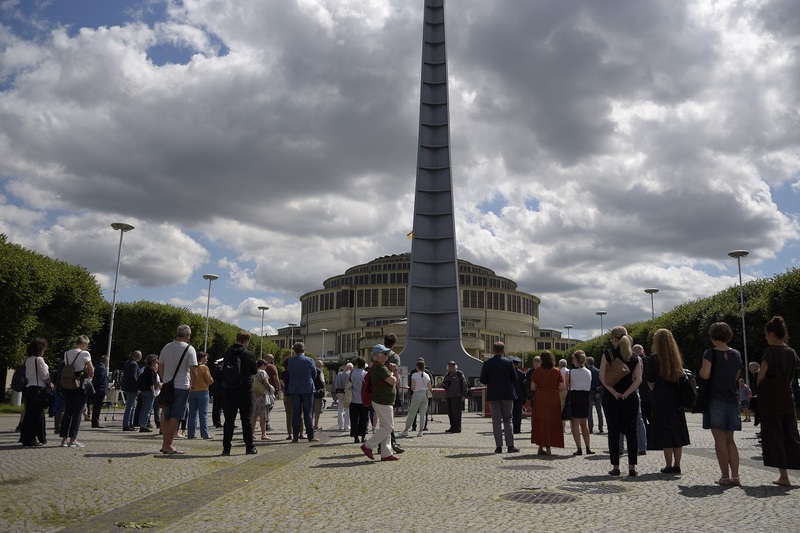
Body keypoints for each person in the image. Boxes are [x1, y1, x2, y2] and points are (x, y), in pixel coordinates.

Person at [757, 316, 800, 486]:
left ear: (773, 334)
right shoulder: (792, 352)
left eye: (766, 334)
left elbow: (761, 377)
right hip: (787, 398)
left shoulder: (770, 352)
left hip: (771, 400)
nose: (766, 337)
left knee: (775, 436)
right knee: (791, 435)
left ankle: (784, 476)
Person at [699, 322, 742, 485]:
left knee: (719, 439)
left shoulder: (710, 353)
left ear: (712, 336)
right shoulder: (736, 354)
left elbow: (705, 374)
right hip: (731, 398)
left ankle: (724, 476)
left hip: (715, 398)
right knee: (730, 439)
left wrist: (701, 372)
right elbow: (736, 375)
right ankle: (736, 476)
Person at [645, 329, 691, 475]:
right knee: (677, 429)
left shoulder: (653, 359)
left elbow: (650, 382)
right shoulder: (676, 359)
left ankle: (668, 465)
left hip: (660, 397)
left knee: (665, 431)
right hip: (676, 397)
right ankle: (678, 464)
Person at [600, 326, 642, 477]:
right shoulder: (635, 357)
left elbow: (602, 378)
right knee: (632, 432)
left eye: (611, 338)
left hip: (611, 398)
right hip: (630, 399)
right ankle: (632, 467)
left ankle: (616, 467)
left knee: (613, 432)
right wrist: (626, 393)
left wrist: (615, 392)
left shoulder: (608, 354)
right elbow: (638, 380)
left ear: (615, 339)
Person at [158, 325, 198, 455]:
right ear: (187, 335)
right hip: (181, 386)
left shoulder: (166, 347)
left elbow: (161, 366)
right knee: (176, 416)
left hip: (168, 385)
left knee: (166, 415)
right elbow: (193, 370)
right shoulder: (189, 349)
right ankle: (169, 445)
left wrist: (165, 380)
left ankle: (165, 444)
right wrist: (193, 385)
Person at [360, 344, 401, 461]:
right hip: (382, 400)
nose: (387, 355)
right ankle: (368, 446)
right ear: (378, 355)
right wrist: (393, 371)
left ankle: (386, 453)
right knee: (388, 427)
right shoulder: (380, 368)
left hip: (383, 400)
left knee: (385, 426)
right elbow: (393, 381)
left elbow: (396, 380)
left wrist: (395, 370)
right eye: (385, 353)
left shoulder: (381, 367)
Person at [221, 330, 259, 455]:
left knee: (229, 420)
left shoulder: (228, 352)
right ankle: (249, 447)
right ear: (246, 341)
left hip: (229, 389)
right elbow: (254, 371)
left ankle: (226, 448)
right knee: (246, 419)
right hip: (244, 390)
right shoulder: (249, 354)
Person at [480, 341, 519, 454]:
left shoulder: (487, 363)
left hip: (494, 394)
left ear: (493, 350)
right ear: (503, 351)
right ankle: (510, 446)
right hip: (507, 394)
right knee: (508, 419)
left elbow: (483, 380)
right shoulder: (509, 362)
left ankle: (498, 447)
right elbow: (514, 378)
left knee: (496, 421)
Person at [59, 335, 94, 448]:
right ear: (84, 343)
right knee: (78, 411)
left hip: (69, 383)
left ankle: (64, 439)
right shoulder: (85, 354)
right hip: (80, 384)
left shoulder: (67, 353)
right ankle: (73, 439)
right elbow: (91, 369)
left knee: (68, 410)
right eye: (87, 344)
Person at [20, 338, 53, 447]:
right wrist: (50, 383)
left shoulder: (28, 359)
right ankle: (32, 438)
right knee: (36, 416)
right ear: (39, 349)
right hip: (38, 388)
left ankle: (28, 437)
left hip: (29, 387)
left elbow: (27, 375)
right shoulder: (39, 360)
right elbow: (44, 375)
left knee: (30, 414)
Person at [530, 350, 564, 456]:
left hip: (541, 398)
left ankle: (541, 447)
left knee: (541, 421)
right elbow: (563, 387)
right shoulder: (557, 371)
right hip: (553, 398)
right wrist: (553, 391)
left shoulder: (538, 371)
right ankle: (548, 448)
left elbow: (532, 387)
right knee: (552, 421)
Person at [287, 342, 319, 443]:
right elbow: (314, 374)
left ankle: (295, 437)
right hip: (307, 388)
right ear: (304, 349)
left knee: (296, 413)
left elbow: (290, 372)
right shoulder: (309, 360)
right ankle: (310, 436)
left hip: (295, 388)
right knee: (307, 413)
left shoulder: (290, 361)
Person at [568, 350, 594, 455]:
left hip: (575, 396)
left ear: (576, 360)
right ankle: (588, 447)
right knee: (584, 424)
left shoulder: (572, 372)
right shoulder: (588, 371)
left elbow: (569, 385)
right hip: (585, 397)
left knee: (575, 423)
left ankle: (579, 448)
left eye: (573, 359)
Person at [401, 360, 432, 437]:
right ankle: (421, 430)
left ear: (417, 367)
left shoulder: (414, 375)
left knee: (412, 413)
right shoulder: (427, 375)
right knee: (423, 414)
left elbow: (413, 387)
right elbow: (430, 387)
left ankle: (406, 430)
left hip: (417, 393)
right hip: (425, 394)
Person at [188, 351, 214, 440]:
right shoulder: (204, 368)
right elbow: (209, 380)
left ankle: (191, 433)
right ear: (202, 358)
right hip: (202, 392)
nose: (207, 360)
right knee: (203, 414)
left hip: (192, 391)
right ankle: (204, 434)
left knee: (192, 414)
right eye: (206, 358)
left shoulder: (192, 367)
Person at [442, 361, 469, 433]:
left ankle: (457, 427)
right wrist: (445, 384)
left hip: (457, 396)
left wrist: (464, 394)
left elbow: (464, 384)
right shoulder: (447, 375)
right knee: (450, 413)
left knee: (456, 412)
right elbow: (443, 385)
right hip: (449, 396)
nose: (452, 367)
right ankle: (452, 426)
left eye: (453, 366)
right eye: (450, 366)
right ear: (448, 367)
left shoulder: (459, 373)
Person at [349, 357, 369, 444]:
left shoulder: (352, 373)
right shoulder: (365, 374)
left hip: (353, 398)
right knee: (364, 419)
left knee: (354, 419)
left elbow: (349, 384)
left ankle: (355, 437)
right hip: (363, 399)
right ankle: (363, 436)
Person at [251, 360, 272, 440]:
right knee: (263, 415)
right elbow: (266, 383)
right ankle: (263, 434)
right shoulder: (263, 372)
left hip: (254, 395)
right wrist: (269, 388)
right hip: (262, 395)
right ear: (263, 365)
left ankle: (252, 433)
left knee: (254, 415)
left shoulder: (253, 372)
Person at [121, 351, 142, 431]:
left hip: (127, 387)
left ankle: (130, 423)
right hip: (131, 388)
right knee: (130, 406)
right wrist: (137, 388)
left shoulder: (127, 363)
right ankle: (126, 424)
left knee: (132, 406)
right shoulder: (134, 364)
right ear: (138, 356)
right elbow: (134, 377)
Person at [137, 354, 159, 433]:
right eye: (156, 361)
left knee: (144, 408)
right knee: (148, 409)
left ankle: (141, 424)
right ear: (153, 361)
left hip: (144, 391)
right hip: (149, 391)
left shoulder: (146, 369)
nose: (157, 362)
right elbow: (151, 382)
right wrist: (153, 392)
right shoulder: (151, 370)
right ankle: (144, 425)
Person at [90, 355, 109, 428]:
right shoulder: (101, 368)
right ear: (105, 360)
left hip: (99, 389)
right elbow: (99, 379)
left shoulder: (99, 367)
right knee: (97, 407)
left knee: (97, 407)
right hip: (99, 390)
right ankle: (95, 422)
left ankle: (95, 421)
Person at [586, 356, 604, 434]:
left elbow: (587, 383)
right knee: (599, 411)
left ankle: (590, 428)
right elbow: (603, 383)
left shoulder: (587, 371)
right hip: (597, 394)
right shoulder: (598, 371)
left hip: (590, 393)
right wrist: (599, 392)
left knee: (589, 412)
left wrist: (594, 387)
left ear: (587, 363)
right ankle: (601, 427)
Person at [263, 353, 281, 431]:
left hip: (261, 389)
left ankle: (262, 423)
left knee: (262, 407)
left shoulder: (260, 366)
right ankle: (266, 424)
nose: (273, 360)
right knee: (269, 407)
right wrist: (279, 388)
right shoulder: (272, 366)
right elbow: (276, 378)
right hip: (270, 389)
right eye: (272, 359)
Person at [334, 363, 353, 431]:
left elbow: (336, 384)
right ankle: (346, 426)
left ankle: (340, 425)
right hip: (347, 393)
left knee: (340, 409)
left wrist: (336, 393)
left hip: (340, 392)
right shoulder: (350, 374)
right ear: (351, 368)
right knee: (347, 409)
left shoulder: (339, 374)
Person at [512, 357, 527, 434]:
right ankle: (517, 429)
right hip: (519, 396)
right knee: (518, 414)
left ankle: (509, 428)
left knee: (509, 413)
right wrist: (524, 396)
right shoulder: (522, 374)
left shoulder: (508, 373)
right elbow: (524, 387)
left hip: (510, 396)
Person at [210, 358, 224, 428]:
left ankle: (215, 421)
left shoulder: (214, 371)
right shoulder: (221, 371)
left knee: (215, 408)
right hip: (221, 392)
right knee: (220, 408)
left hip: (215, 391)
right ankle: (218, 422)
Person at [313, 358, 325, 430]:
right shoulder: (320, 372)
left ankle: (309, 425)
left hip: (311, 392)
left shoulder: (311, 371)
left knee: (311, 410)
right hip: (318, 393)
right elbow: (322, 382)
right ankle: (316, 425)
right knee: (317, 410)